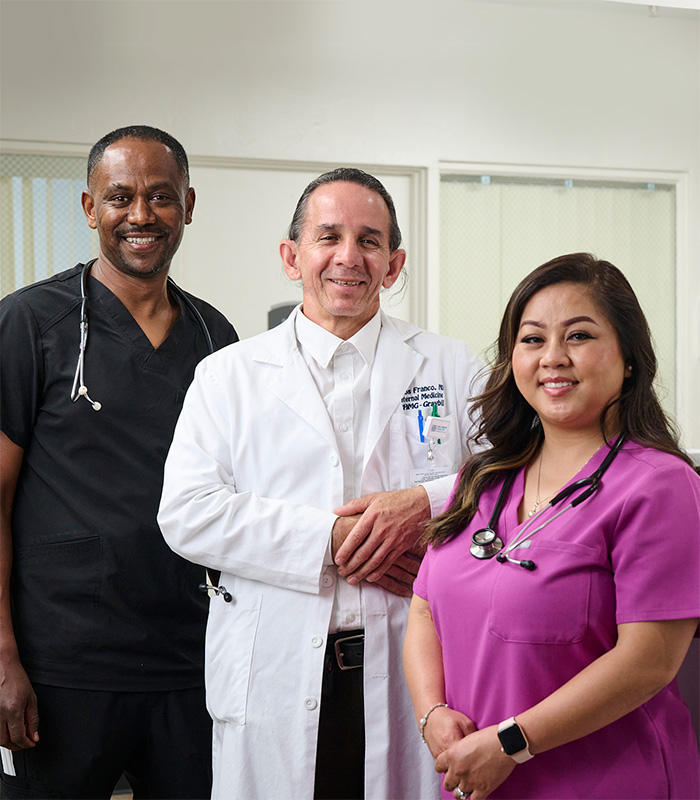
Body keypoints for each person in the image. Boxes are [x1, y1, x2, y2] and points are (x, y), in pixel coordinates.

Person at [157, 167, 483, 799]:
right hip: (274, 664)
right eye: (328, 236)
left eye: (369, 240)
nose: (347, 257)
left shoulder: (451, 365)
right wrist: (332, 542)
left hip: (411, 664)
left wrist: (419, 504)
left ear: (393, 264)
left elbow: (510, 479)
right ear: (292, 256)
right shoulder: (228, 376)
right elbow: (187, 512)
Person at [403, 252, 700, 800]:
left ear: (628, 357)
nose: (553, 358)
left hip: (604, 780)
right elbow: (424, 606)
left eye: (580, 336)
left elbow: (649, 659)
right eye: (533, 339)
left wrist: (511, 742)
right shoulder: (484, 476)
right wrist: (432, 714)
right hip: (477, 776)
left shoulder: (660, 485)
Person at [0, 125, 238, 799]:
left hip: (189, 661)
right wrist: (2, 659)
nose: (141, 215)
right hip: (63, 667)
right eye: (121, 196)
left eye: (161, 197)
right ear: (88, 208)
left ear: (188, 205)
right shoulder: (28, 326)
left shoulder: (214, 337)